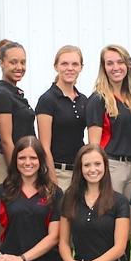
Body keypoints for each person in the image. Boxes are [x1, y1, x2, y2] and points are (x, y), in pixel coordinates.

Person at [86, 45, 131, 200]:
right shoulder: (98, 99)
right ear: (103, 67)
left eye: (120, 62)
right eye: (110, 63)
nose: (116, 67)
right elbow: (94, 145)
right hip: (112, 166)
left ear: (127, 65)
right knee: (112, 216)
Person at [37, 45, 87, 190]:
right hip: (59, 173)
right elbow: (44, 146)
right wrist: (53, 181)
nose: (70, 68)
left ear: (81, 68)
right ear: (56, 66)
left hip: (80, 173)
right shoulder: (47, 100)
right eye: (64, 63)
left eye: (75, 64)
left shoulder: (83, 100)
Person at [0, 40, 37, 187]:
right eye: (13, 62)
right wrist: (17, 174)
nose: (19, 67)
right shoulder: (2, 94)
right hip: (9, 167)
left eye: (23, 62)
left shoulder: (15, 93)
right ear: (2, 63)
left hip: (25, 164)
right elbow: (6, 140)